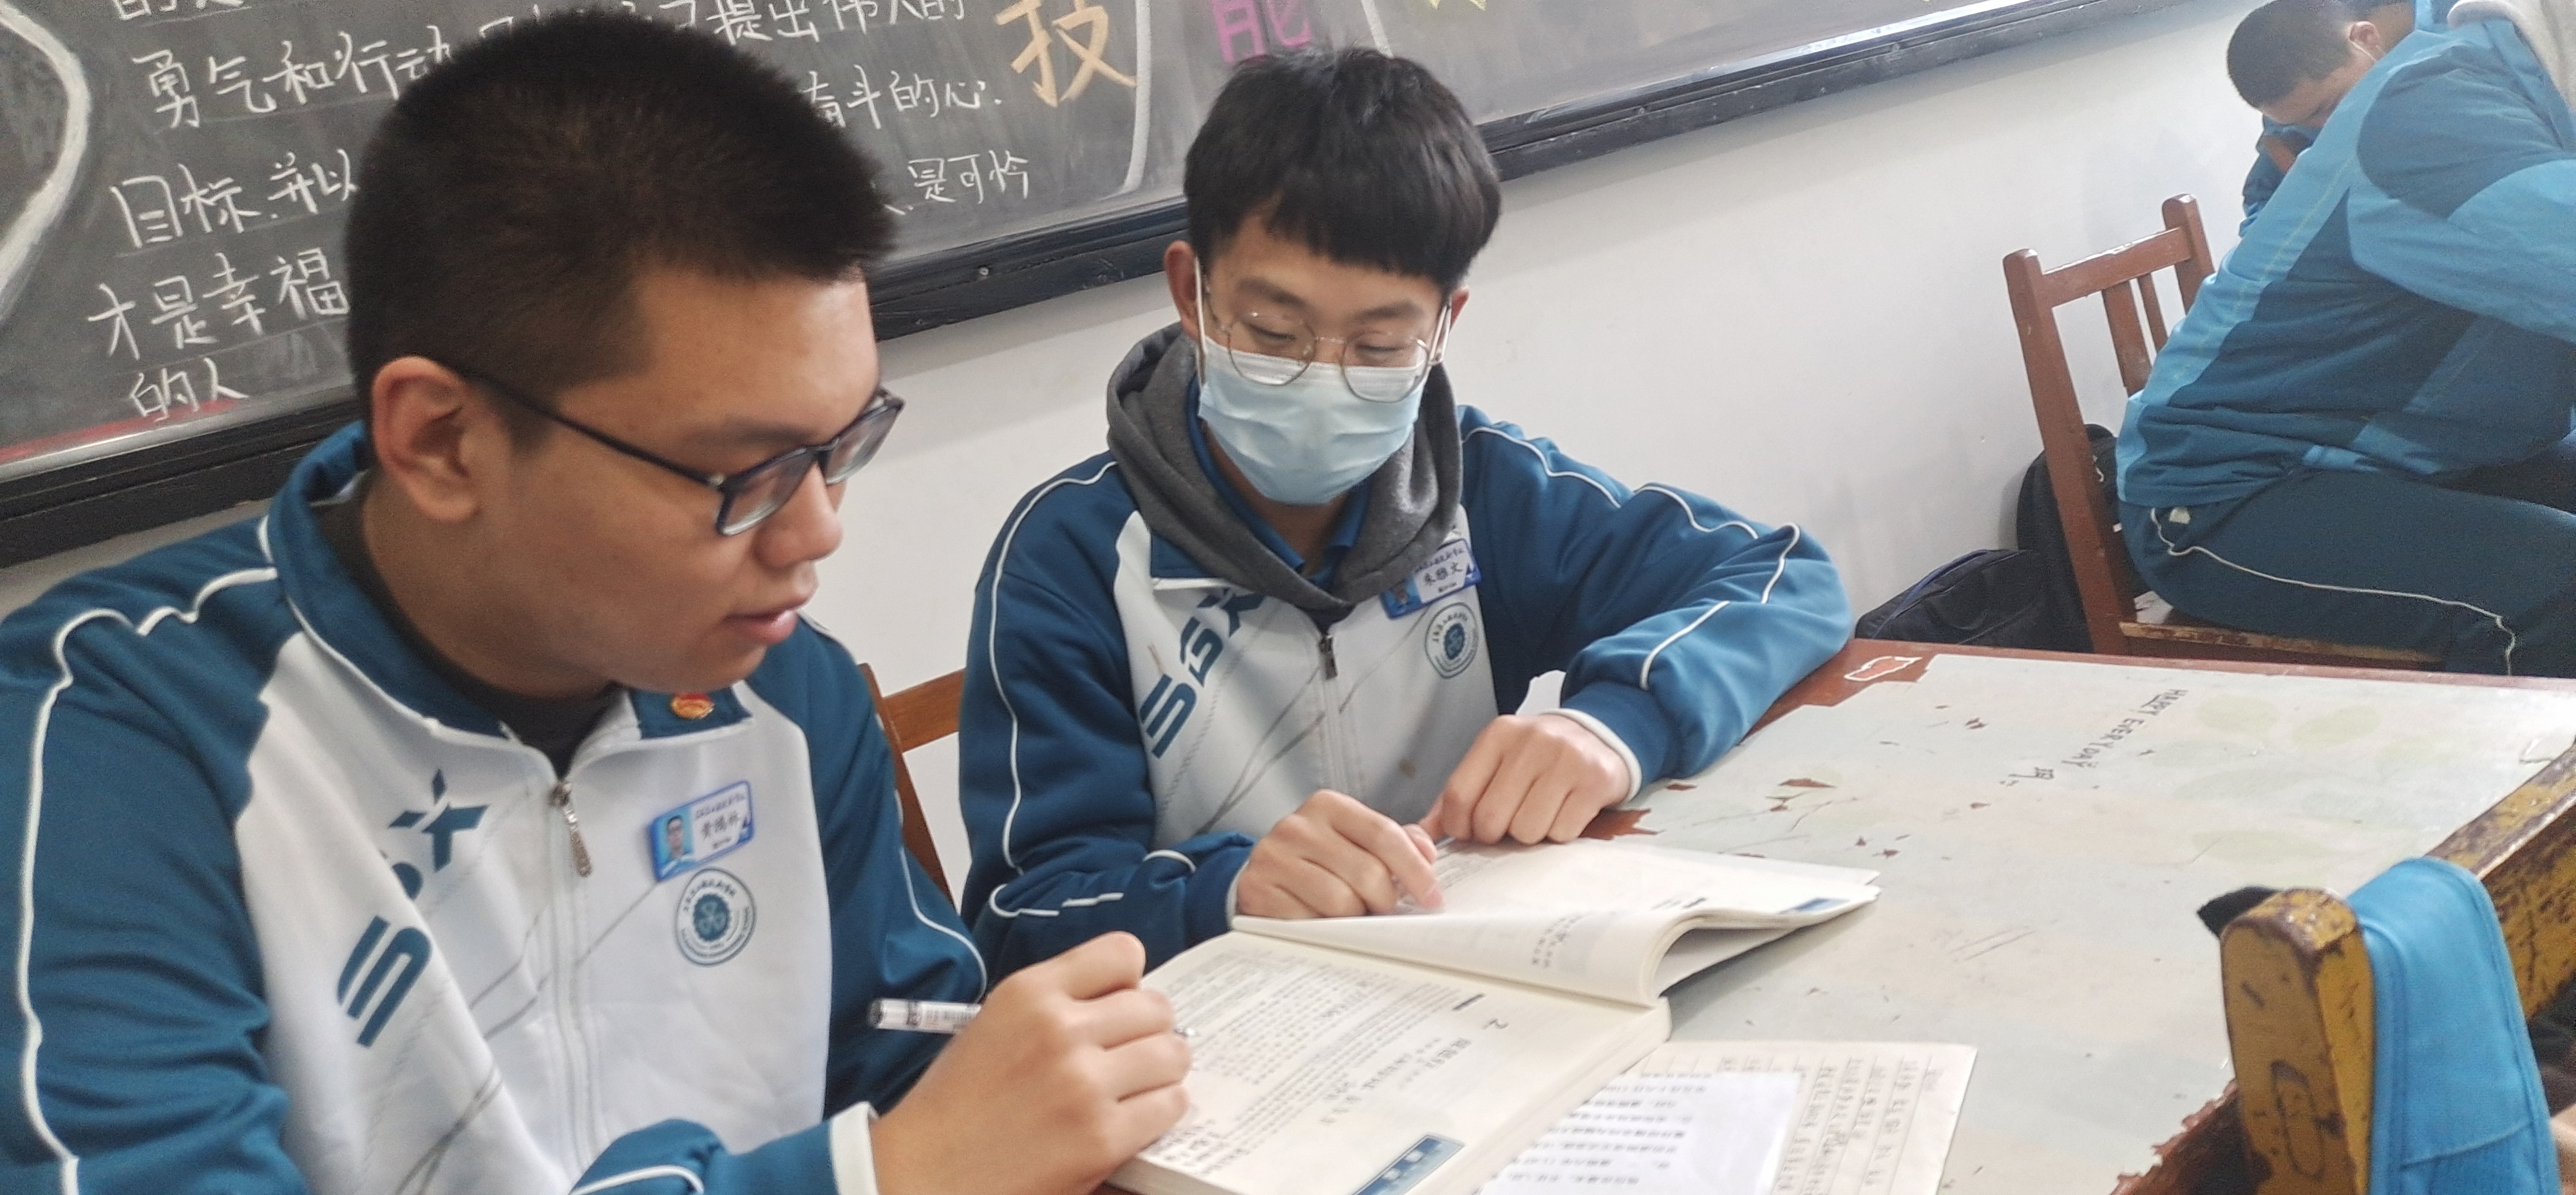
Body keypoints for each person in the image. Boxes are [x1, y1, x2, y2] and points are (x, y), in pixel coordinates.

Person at [0, 13, 1186, 1195]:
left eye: (843, 445)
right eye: (745, 473)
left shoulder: (786, 690)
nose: (818, 529)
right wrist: (876, 1176)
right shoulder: (114, 743)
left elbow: (908, 1053)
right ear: (444, 441)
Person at [957, 48, 1850, 976]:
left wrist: (1617, 724)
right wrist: (1223, 890)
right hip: (1224, 1027)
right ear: (1192, 292)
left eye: (1380, 345)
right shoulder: (1072, 558)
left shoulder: (1481, 490)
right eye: (1273, 333)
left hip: (1470, 982)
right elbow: (1022, 918)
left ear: (1444, 324)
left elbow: (1783, 578)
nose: (1322, 378)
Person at [2117, 0, 2576, 675]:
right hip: (2229, 493)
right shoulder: (2434, 119)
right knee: (2556, 587)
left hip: (2409, 453)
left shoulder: (2492, 78)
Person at [2228, 0, 2418, 227]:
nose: (2328, 130)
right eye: (2304, 123)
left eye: (2332, 106)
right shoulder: (2298, 113)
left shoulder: (2454, 29)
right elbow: (2265, 209)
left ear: (2365, 38)